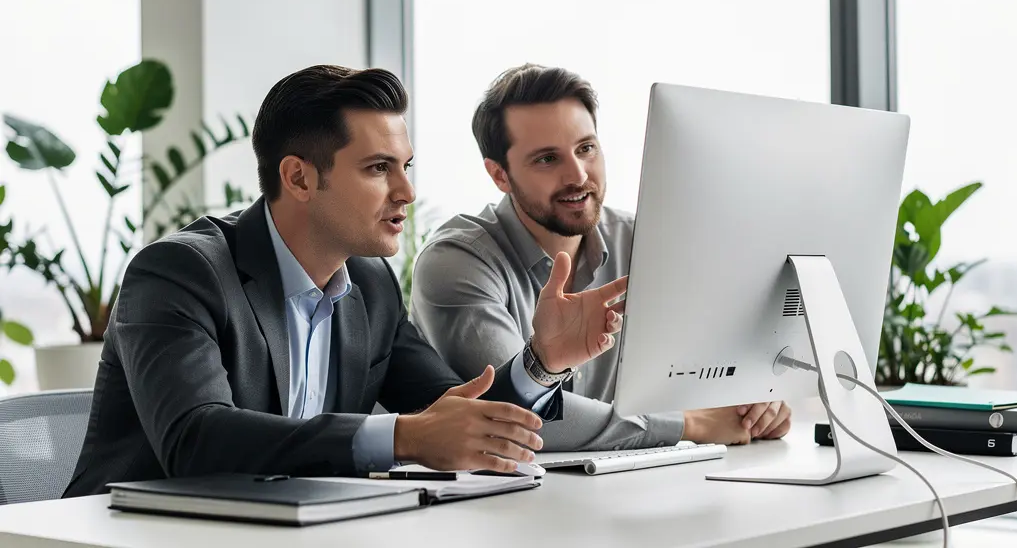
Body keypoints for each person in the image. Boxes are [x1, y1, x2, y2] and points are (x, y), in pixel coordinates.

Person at [64, 65, 630, 498]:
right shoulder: (180, 273)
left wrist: (543, 361)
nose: (406, 193)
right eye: (379, 168)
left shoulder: (369, 284)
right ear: (299, 177)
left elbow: (458, 413)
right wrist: (402, 437)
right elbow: (196, 442)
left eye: (406, 166)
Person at [410, 64, 792, 449]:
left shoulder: (642, 241)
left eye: (586, 148)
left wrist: (757, 402)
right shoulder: (458, 262)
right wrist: (686, 425)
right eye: (547, 159)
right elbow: (523, 414)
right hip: (497, 499)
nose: (577, 175)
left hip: (621, 489)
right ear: (500, 176)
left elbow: (713, 372)